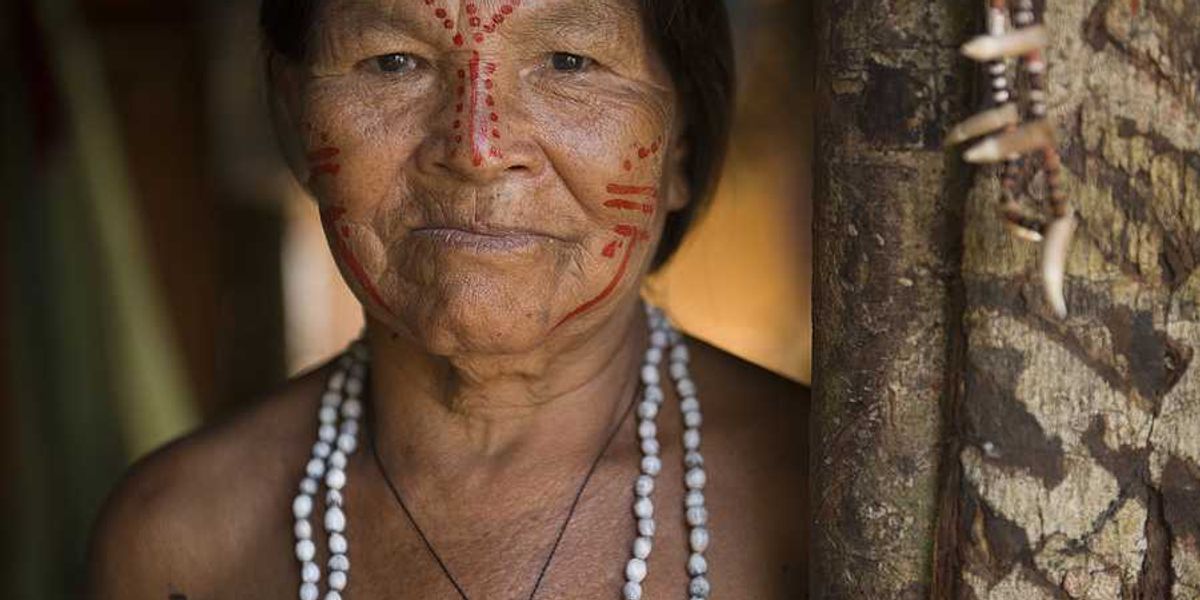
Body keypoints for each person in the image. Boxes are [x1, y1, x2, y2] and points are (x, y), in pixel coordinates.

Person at [87, 0, 809, 598]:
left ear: (679, 141)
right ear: (295, 117)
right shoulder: (181, 543)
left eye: (568, 61)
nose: (477, 149)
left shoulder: (827, 500)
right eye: (393, 62)